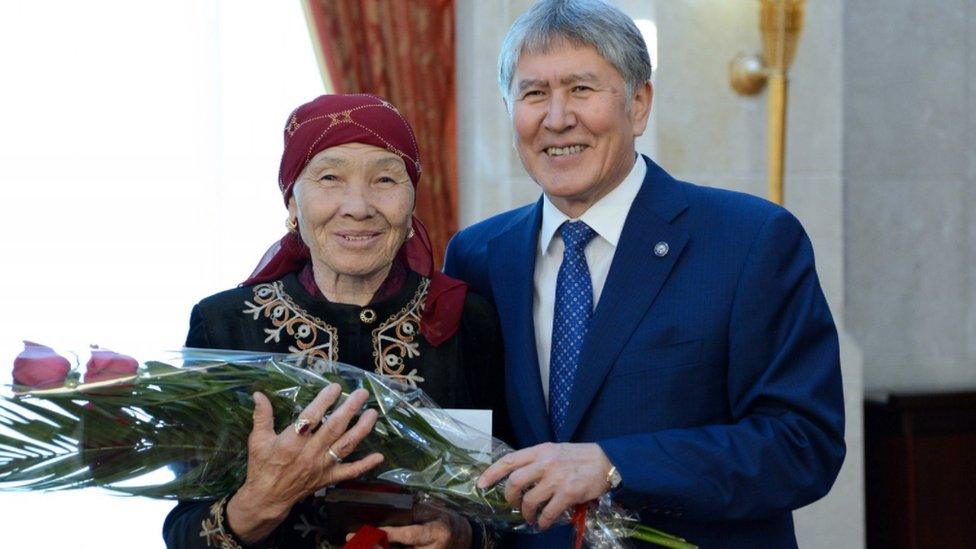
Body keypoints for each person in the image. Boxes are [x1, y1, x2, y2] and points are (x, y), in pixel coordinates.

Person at [443, 0, 846, 547]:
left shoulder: (752, 240)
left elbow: (803, 444)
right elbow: (477, 447)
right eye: (534, 93)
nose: (557, 118)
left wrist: (616, 465)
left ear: (638, 104)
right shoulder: (477, 255)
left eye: (582, 89)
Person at [163, 94, 505, 549]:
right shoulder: (223, 325)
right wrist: (260, 502)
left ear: (411, 202)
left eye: (385, 179)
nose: (358, 206)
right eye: (329, 178)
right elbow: (184, 532)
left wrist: (463, 534)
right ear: (291, 204)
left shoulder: (466, 319)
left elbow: (512, 501)